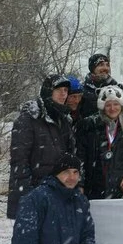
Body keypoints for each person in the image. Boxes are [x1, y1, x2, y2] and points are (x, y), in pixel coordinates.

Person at [10, 153, 104, 244]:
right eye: (66, 172)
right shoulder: (35, 199)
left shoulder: (80, 201)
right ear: (56, 174)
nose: (72, 177)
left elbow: (87, 239)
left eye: (75, 172)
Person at [8, 74, 75, 219]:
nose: (64, 94)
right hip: (37, 192)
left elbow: (71, 158)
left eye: (66, 90)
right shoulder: (29, 119)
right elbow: (19, 162)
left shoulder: (64, 119)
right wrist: (27, 197)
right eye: (59, 90)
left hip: (60, 190)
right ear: (48, 91)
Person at [75, 86, 123, 199]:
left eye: (116, 104)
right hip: (93, 189)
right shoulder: (89, 126)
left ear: (122, 105)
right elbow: (80, 158)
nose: (112, 108)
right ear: (102, 106)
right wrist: (80, 183)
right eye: (108, 105)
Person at [80, 53, 123, 120]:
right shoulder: (83, 90)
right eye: (101, 65)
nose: (105, 68)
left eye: (107, 65)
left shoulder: (116, 88)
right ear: (92, 69)